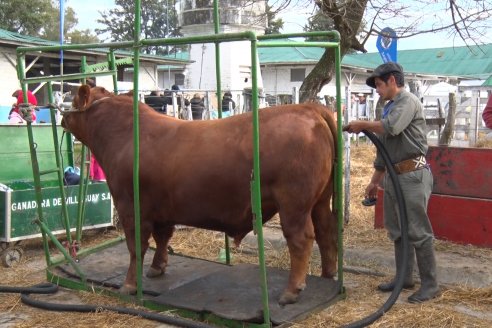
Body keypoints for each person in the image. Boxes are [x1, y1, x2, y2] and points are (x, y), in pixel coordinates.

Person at [343, 62, 439, 303]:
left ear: (393, 81)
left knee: (418, 231)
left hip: (412, 175)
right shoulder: (389, 107)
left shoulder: (407, 102)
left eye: (379, 84)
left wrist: (362, 125)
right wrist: (375, 181)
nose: (377, 89)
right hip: (394, 177)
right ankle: (404, 278)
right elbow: (383, 150)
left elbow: (391, 128)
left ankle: (430, 284)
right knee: (398, 232)